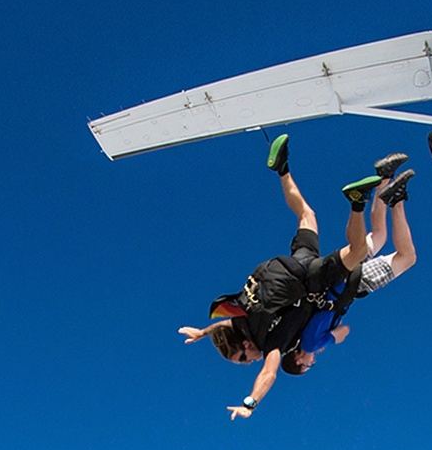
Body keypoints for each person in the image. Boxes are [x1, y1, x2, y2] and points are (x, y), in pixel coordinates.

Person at [175, 134, 413, 420]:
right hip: (294, 262)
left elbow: (269, 373)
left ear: (247, 346)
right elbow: (224, 324)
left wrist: (250, 403)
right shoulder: (242, 316)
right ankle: (284, 169)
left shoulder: (272, 342)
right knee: (307, 215)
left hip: (313, 278)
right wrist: (203, 332)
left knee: (362, 250)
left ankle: (356, 202)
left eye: (243, 359)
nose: (249, 362)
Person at [281, 162, 418, 375]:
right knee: (379, 235)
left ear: (298, 359)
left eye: (309, 364)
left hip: (352, 285)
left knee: (407, 257)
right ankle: (384, 179)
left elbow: (344, 331)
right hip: (339, 272)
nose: (312, 360)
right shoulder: (299, 330)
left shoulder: (311, 344)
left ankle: (397, 200)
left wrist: (328, 340)